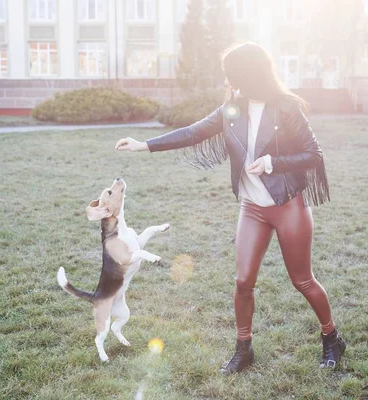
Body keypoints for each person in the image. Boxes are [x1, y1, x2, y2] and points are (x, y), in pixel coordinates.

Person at [115, 42, 346, 373]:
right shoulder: (232, 109)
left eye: (232, 75)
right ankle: (244, 349)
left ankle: (332, 337)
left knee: (302, 280)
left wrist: (272, 162)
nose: (229, 82)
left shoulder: (286, 107)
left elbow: (313, 154)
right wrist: (145, 145)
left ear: (250, 74)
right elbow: (194, 132)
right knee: (242, 282)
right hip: (253, 208)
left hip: (287, 206)